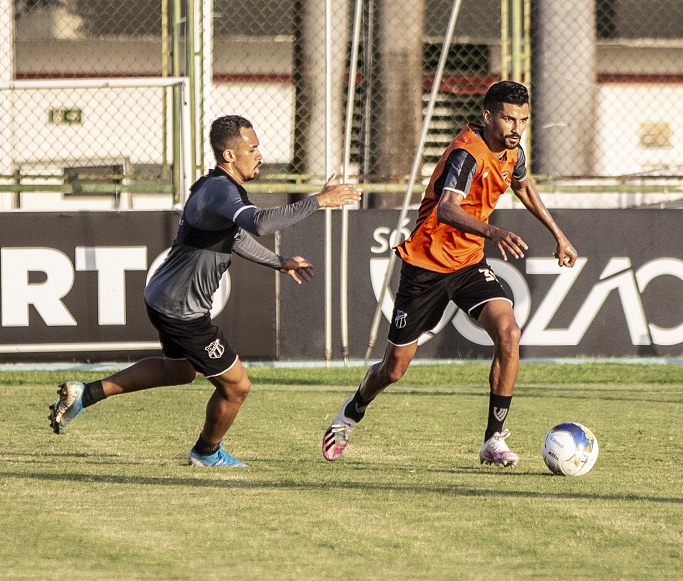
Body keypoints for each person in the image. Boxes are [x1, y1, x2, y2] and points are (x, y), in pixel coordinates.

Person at [49, 114, 361, 467]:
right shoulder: (220, 190)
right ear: (229, 155)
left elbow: (237, 236)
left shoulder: (213, 188)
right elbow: (258, 224)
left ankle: (84, 395)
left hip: (164, 298)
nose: (259, 154)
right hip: (182, 310)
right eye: (252, 148)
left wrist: (281, 262)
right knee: (237, 386)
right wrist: (317, 201)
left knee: (179, 371)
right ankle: (206, 452)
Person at [322, 81, 577, 467]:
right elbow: (446, 209)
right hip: (425, 266)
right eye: (508, 118)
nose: (516, 128)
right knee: (394, 369)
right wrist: (494, 231)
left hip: (469, 264)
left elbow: (523, 187)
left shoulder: (512, 152)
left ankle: (493, 439)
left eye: (523, 120)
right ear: (488, 116)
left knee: (509, 334)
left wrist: (559, 236)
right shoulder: (466, 154)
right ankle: (351, 413)